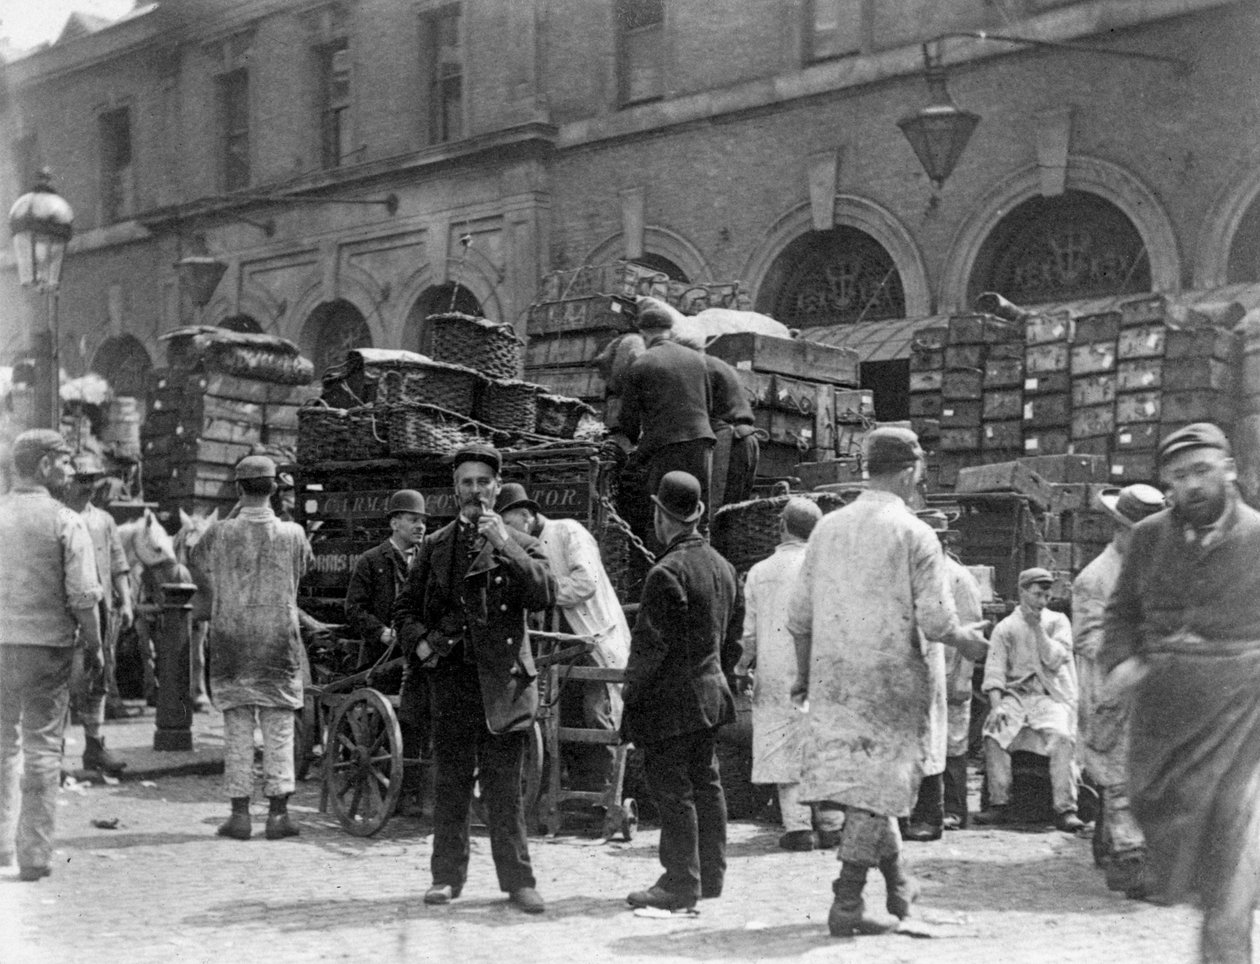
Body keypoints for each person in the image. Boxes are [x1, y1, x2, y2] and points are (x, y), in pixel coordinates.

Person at [787, 426, 989, 937]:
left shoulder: (827, 529)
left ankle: (901, 890)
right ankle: (848, 901)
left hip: (834, 679)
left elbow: (800, 616)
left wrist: (802, 675)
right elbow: (938, 623)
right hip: (891, 682)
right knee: (878, 792)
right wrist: (967, 640)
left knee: (870, 791)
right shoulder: (915, 533)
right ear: (909, 470)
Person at [1101, 423, 1260, 964]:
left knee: (1232, 837)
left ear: (1229, 469)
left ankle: (1226, 950)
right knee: (1160, 812)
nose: (1190, 485)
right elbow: (1121, 612)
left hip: (1239, 708)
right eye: (1177, 476)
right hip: (1164, 711)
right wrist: (1120, 661)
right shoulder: (1148, 537)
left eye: (1201, 471)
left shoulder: (1258, 537)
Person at [394, 444, 555, 915]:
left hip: (502, 682)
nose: (474, 491)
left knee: (505, 789)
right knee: (451, 784)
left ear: (497, 488)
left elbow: (545, 593)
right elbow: (404, 609)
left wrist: (503, 544)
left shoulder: (521, 543)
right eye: (466, 482)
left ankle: (518, 882)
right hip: (452, 680)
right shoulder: (436, 545)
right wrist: (420, 641)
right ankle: (446, 877)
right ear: (454, 489)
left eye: (483, 482)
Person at [623, 471, 743, 911]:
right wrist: (714, 678)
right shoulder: (724, 567)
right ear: (694, 514)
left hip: (670, 704)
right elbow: (733, 641)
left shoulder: (665, 572)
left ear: (661, 516)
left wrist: (630, 697)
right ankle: (709, 877)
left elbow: (650, 651)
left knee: (674, 792)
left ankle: (679, 883)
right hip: (711, 697)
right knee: (707, 784)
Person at [190, 455, 313, 841]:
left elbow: (194, 558)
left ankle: (240, 816)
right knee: (279, 729)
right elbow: (304, 568)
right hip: (278, 643)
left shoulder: (219, 533)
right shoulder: (293, 533)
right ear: (275, 489)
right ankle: (278, 816)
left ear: (239, 489)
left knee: (237, 730)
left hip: (231, 642)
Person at [0, 430, 102, 881]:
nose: (70, 471)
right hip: (48, 650)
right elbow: (83, 596)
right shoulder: (67, 521)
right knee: (43, 747)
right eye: (63, 462)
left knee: (3, 745)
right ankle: (35, 855)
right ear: (42, 465)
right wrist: (96, 646)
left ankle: (1, 843)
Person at [496, 482, 630, 797]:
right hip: (559, 647)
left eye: (510, 524)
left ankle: (605, 792)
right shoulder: (521, 550)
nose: (507, 533)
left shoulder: (568, 532)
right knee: (561, 717)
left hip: (593, 638)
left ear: (526, 515)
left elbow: (586, 583)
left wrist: (545, 589)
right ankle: (578, 792)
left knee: (595, 715)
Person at [1071, 483, 1164, 894]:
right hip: (1113, 691)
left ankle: (1112, 847)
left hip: (1148, 691)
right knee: (1120, 776)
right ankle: (1129, 863)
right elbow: (1089, 639)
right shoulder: (1096, 578)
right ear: (1121, 529)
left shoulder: (1152, 568)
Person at [736, 497, 843, 852]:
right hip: (825, 669)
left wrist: (741, 667)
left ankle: (798, 827)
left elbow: (749, 635)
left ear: (781, 526)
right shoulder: (830, 568)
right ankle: (831, 824)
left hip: (777, 669)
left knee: (784, 743)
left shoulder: (760, 572)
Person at [975, 568, 1084, 833]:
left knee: (1061, 736)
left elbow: (1054, 659)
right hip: (1016, 697)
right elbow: (995, 671)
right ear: (1023, 593)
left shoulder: (1058, 622)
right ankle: (998, 803)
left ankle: (1065, 808)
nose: (1042, 601)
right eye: (1036, 594)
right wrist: (997, 705)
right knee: (993, 732)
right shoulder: (1006, 628)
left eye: (1047, 595)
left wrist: (1038, 629)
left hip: (1049, 696)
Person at [345, 489, 429, 816]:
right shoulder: (372, 561)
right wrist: (381, 632)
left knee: (419, 722)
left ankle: (411, 793)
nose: (419, 526)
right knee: (383, 725)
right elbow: (353, 608)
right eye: (412, 519)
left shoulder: (428, 558)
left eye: (422, 520)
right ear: (395, 523)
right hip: (382, 659)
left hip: (419, 655)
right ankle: (382, 791)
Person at [904, 508, 985, 839]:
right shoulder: (921, 573)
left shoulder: (958, 577)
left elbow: (972, 628)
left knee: (953, 744)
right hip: (929, 671)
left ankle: (954, 809)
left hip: (953, 670)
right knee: (933, 743)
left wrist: (964, 677)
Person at [610, 301, 715, 544]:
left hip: (666, 447)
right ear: (669, 330)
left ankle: (663, 564)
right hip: (702, 443)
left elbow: (628, 420)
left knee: (664, 512)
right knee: (700, 511)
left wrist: (637, 444)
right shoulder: (697, 359)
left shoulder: (642, 363)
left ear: (644, 333)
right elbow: (707, 406)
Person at [61, 453, 135, 773]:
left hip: (100, 611)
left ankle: (94, 745)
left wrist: (127, 601)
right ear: (67, 482)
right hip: (65, 610)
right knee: (62, 679)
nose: (87, 487)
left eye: (91, 480)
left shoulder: (104, 521)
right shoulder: (58, 518)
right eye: (81, 480)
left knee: (98, 676)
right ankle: (56, 751)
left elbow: (119, 566)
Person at [703, 352, 759, 512]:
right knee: (736, 511)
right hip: (746, 437)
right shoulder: (718, 363)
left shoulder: (700, 366)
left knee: (717, 510)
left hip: (730, 441)